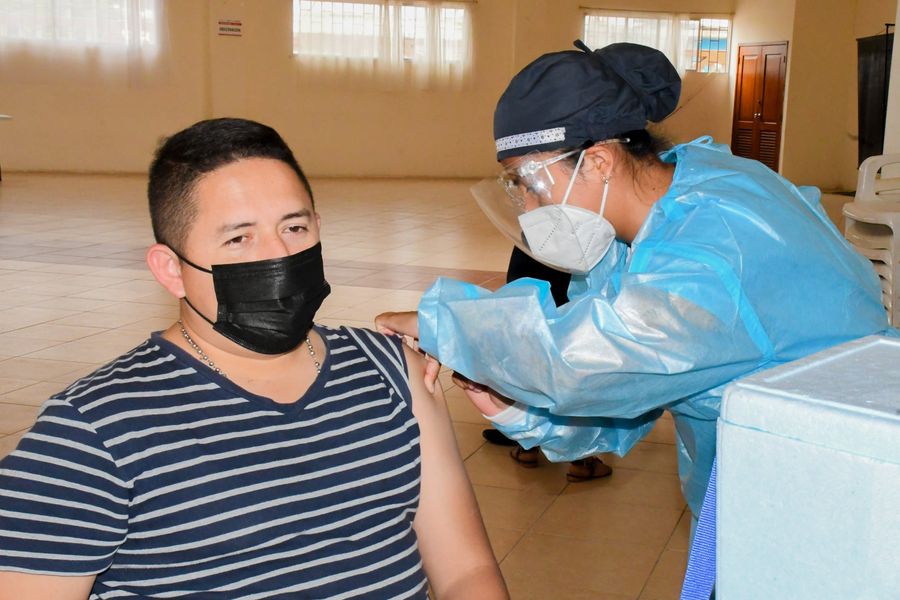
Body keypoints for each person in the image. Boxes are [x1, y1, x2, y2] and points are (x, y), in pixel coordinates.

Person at [376, 40, 894, 531]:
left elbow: (577, 362)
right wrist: (511, 407)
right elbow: (624, 392)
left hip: (834, 492)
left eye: (529, 184)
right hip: (764, 485)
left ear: (599, 160)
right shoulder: (660, 213)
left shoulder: (708, 252)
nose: (529, 209)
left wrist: (446, 324)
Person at [0, 118, 508, 600]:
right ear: (171, 270)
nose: (279, 256)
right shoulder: (93, 430)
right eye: (239, 238)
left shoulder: (391, 371)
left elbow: (466, 571)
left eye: (295, 228)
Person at [483, 247, 612, 482]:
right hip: (574, 261)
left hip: (530, 255)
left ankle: (527, 443)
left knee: (528, 350)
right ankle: (581, 459)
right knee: (572, 359)